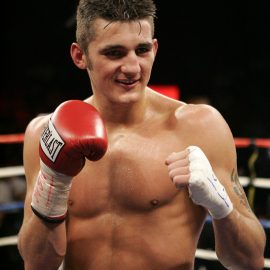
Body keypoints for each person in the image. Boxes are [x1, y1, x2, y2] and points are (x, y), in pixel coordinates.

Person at [18, 0, 266, 269]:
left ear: (155, 49)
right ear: (80, 56)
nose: (132, 67)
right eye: (114, 53)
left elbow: (249, 261)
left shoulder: (200, 127)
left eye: (142, 50)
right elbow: (37, 263)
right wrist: (53, 185)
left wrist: (222, 206)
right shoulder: (45, 133)